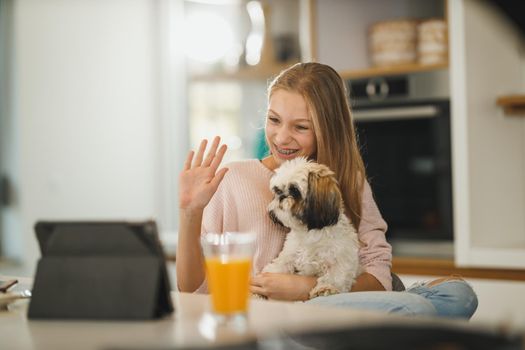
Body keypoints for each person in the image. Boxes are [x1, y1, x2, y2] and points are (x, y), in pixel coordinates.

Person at [176, 62, 478, 319]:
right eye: (274, 120)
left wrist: (305, 287)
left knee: (460, 295)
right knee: (416, 308)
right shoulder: (232, 178)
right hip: (272, 316)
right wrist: (190, 212)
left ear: (327, 128)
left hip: (332, 299)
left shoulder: (348, 180)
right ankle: (405, 308)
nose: (282, 137)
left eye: (301, 127)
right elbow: (192, 290)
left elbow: (377, 276)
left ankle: (402, 310)